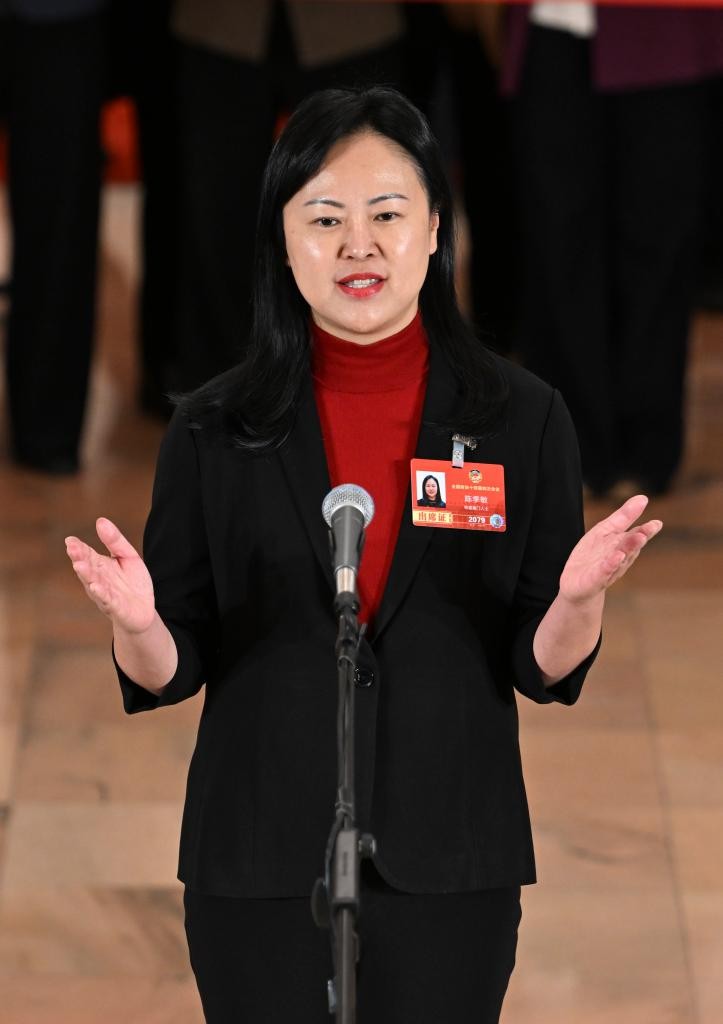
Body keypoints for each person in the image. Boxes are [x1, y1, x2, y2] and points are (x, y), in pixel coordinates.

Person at [64, 86, 662, 1024]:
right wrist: (138, 625)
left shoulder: (521, 417)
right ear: (282, 241)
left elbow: (539, 668)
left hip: (450, 860)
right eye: (324, 218)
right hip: (259, 859)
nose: (358, 244)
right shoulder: (214, 428)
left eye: (387, 214)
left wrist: (576, 603)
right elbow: (170, 669)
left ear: (434, 230)